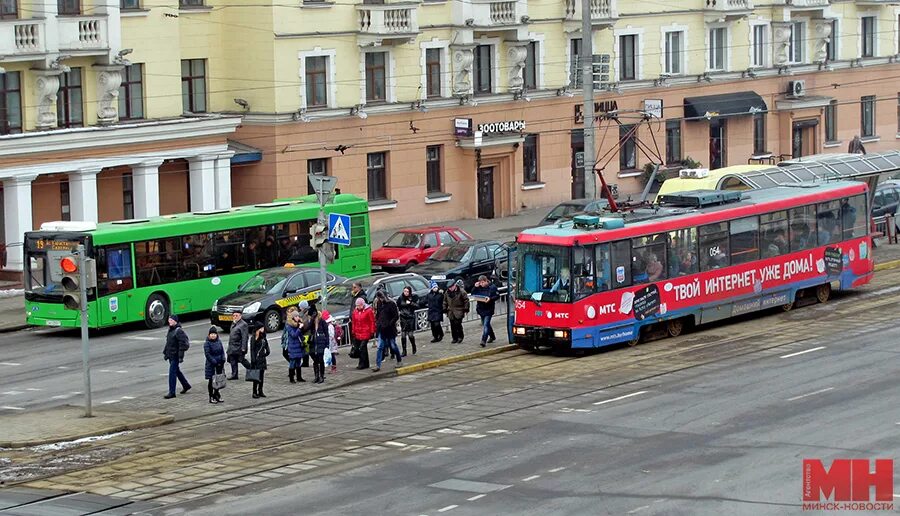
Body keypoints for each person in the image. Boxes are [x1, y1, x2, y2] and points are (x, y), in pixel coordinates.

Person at [163, 314, 191, 399]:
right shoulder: (171, 330)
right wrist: (165, 353)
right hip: (171, 355)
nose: (169, 321)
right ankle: (186, 385)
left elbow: (184, 344)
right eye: (169, 320)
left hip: (175, 356)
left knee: (172, 373)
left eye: (171, 320)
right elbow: (168, 343)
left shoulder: (178, 331)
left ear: (175, 321)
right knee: (177, 371)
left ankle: (172, 392)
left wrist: (180, 356)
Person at [373, 290, 401, 372]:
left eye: (381, 297)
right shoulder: (379, 303)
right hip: (382, 329)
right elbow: (378, 315)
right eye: (379, 298)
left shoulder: (391, 304)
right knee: (380, 347)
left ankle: (399, 360)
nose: (381, 299)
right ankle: (377, 365)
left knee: (393, 345)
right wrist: (378, 323)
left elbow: (396, 316)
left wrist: (390, 323)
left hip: (390, 329)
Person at [470, 275, 499, 347]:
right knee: (486, 324)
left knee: (486, 324)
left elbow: (497, 296)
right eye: (480, 283)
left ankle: (483, 340)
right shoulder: (478, 287)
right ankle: (492, 336)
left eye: (483, 282)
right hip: (481, 308)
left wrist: (490, 299)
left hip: (489, 308)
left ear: (486, 281)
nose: (482, 284)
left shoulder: (492, 287)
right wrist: (475, 287)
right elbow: (473, 294)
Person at [350, 298, 375, 370]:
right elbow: (354, 322)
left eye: (359, 305)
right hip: (358, 333)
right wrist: (353, 331)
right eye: (357, 305)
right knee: (362, 348)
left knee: (362, 348)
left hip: (366, 332)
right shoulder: (355, 312)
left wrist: (372, 331)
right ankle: (366, 363)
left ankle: (362, 363)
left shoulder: (368, 311)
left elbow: (372, 321)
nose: (358, 307)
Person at [203, 326, 226, 404]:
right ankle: (211, 396)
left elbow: (222, 351)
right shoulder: (207, 343)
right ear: (209, 335)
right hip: (211, 365)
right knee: (211, 381)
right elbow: (207, 354)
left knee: (218, 380)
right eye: (211, 334)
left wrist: (223, 359)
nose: (213, 335)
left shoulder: (219, 342)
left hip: (219, 364)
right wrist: (214, 361)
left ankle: (217, 394)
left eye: (214, 334)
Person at [284, 306, 306, 383]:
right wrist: (299, 328)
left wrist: (301, 327)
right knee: (292, 362)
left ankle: (299, 377)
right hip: (293, 346)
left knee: (298, 362)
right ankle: (291, 378)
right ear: (293, 317)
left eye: (298, 316)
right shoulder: (289, 326)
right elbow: (294, 335)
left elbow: (301, 334)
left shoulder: (298, 324)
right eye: (296, 316)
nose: (297, 317)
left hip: (298, 346)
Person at [248, 322, 270, 398]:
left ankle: (260, 390)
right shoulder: (253, 338)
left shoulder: (264, 337)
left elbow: (266, 347)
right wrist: (253, 359)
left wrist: (266, 353)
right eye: (261, 328)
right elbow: (252, 349)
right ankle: (254, 392)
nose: (263, 330)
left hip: (262, 359)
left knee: (261, 376)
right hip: (256, 360)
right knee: (256, 377)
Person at [443, 280, 469, 344]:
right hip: (451, 311)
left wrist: (466, 309)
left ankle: (460, 336)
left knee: (458, 324)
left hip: (459, 310)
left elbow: (466, 301)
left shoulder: (461, 292)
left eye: (451, 287)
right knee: (452, 325)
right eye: (449, 287)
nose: (450, 289)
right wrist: (444, 309)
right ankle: (454, 338)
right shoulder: (447, 292)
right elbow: (445, 301)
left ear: (454, 286)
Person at [226, 312, 250, 380]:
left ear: (240, 316)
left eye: (236, 315)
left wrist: (243, 348)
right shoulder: (234, 323)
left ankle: (252, 370)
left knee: (242, 360)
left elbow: (245, 337)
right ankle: (234, 375)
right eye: (233, 315)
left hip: (239, 347)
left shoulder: (243, 324)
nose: (235, 317)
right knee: (232, 360)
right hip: (232, 347)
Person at [311, 311, 334, 383]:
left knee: (321, 360)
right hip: (314, 344)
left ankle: (321, 376)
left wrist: (327, 344)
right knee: (315, 361)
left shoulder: (323, 322)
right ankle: (316, 376)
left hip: (321, 344)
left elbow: (326, 334)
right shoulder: (312, 323)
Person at [397, 286, 419, 356]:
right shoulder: (400, 298)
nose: (405, 293)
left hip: (410, 317)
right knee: (403, 335)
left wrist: (410, 303)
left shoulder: (413, 297)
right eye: (404, 291)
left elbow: (417, 306)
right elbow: (398, 305)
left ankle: (413, 346)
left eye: (407, 291)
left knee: (410, 335)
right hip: (403, 317)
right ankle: (404, 350)